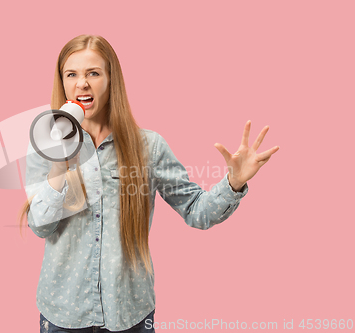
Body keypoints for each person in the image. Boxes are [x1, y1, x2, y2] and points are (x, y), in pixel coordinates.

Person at [18, 34, 279, 333]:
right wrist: (57, 158)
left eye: (93, 73)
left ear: (111, 79)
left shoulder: (149, 147)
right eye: (71, 74)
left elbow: (196, 211)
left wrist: (233, 182)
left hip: (130, 313)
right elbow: (40, 226)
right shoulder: (44, 141)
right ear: (62, 81)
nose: (82, 84)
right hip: (63, 314)